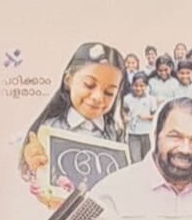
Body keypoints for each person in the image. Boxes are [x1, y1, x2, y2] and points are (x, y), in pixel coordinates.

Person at [18, 40, 143, 208]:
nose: (98, 97)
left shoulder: (116, 133)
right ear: (68, 80)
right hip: (58, 211)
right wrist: (33, 167)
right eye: (89, 85)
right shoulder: (49, 129)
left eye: (109, 92)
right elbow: (36, 188)